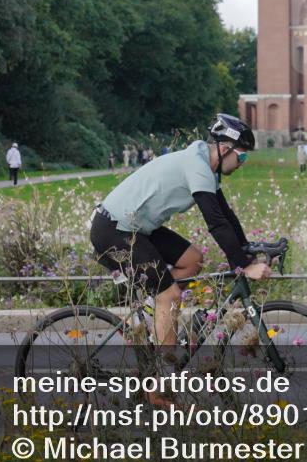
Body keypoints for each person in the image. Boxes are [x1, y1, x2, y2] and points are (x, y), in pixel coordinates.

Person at [90, 113, 271, 350]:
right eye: (242, 156)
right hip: (113, 229)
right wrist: (244, 266)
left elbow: (226, 216)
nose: (243, 163)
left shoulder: (206, 166)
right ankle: (160, 380)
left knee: (192, 260)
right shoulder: (197, 167)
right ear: (225, 148)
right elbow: (215, 223)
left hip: (137, 226)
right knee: (170, 296)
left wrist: (247, 250)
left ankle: (150, 316)